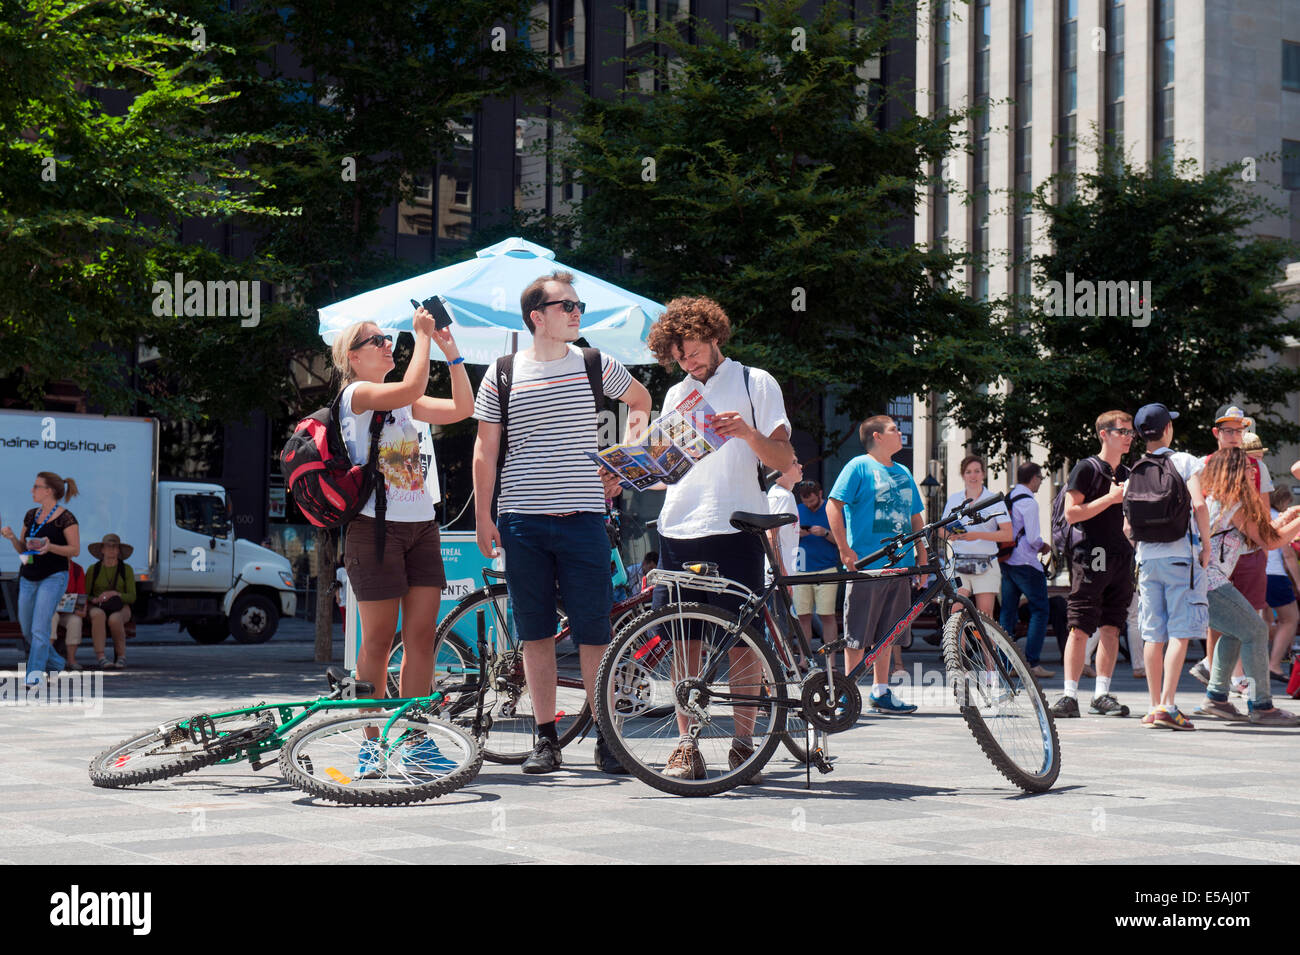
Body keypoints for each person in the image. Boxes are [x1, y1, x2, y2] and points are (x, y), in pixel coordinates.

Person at [472, 270, 652, 775]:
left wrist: (626, 461)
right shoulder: (502, 372)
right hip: (522, 521)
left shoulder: (596, 363)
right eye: (566, 306)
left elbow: (639, 401)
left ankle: (606, 738)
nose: (576, 313)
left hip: (585, 521)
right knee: (536, 634)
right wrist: (484, 515)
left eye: (578, 306)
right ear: (537, 316)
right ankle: (545, 737)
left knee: (595, 633)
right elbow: (485, 448)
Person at [640, 295, 794, 781]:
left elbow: (783, 459)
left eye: (692, 348)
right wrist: (636, 466)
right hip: (679, 524)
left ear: (712, 335)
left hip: (735, 524)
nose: (687, 359)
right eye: (679, 354)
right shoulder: (675, 395)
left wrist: (748, 434)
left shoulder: (755, 381)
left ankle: (744, 743)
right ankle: (687, 745)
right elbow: (669, 468)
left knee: (741, 642)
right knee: (683, 638)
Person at [333, 307, 474, 775]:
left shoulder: (399, 401)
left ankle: (414, 738)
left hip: (421, 527)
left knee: (421, 639)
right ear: (353, 358)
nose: (387, 345)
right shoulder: (358, 395)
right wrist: (422, 337)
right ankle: (371, 744)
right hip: (374, 530)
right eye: (376, 342)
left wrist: (452, 353)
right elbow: (413, 387)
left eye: (388, 340)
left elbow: (462, 410)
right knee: (376, 640)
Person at [1191, 448, 1300, 725]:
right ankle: (1262, 705)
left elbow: (1266, 533)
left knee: (1238, 631)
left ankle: (1216, 698)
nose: (1254, 472)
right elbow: (1271, 541)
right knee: (1255, 629)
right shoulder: (1233, 503)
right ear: (1235, 473)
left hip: (1203, 580)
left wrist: (1289, 517)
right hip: (1209, 580)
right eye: (1248, 468)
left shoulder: (1224, 500)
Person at [827, 414, 927, 715]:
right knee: (857, 632)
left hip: (900, 565)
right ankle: (847, 695)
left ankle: (881, 692)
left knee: (889, 632)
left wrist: (921, 553)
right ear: (877, 437)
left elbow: (915, 516)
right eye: (894, 429)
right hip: (867, 565)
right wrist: (844, 549)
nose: (900, 433)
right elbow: (834, 504)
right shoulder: (858, 466)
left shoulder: (904, 471)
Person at [1127, 404, 1210, 730]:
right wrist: (1206, 546)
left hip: (1147, 560)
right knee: (1179, 632)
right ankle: (1169, 705)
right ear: (1167, 430)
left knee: (1153, 634)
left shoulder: (1137, 468)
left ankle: (1152, 706)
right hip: (1180, 557)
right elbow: (1200, 504)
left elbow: (1127, 527)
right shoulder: (1185, 461)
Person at [1049, 411, 1135, 718]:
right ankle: (1069, 695)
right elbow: (1073, 513)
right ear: (1104, 434)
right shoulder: (1087, 468)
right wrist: (1110, 500)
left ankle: (1102, 694)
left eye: (1130, 432)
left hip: (1121, 556)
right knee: (1081, 623)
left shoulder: (1127, 471)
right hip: (1092, 552)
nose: (1128, 436)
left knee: (1112, 626)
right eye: (1122, 431)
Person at [1189, 406, 1272, 686]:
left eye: (1240, 430)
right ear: (1216, 432)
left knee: (1246, 617)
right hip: (1215, 557)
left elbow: (1263, 512)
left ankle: (1223, 685)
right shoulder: (1203, 465)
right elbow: (1199, 509)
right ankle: (1227, 681)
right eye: (1229, 430)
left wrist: (1265, 540)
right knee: (1228, 622)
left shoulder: (1255, 466)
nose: (1235, 436)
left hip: (1246, 551)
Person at [2, 472, 80, 684]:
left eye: (36, 487)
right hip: (28, 576)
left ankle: (33, 677)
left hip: (53, 577)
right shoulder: (30, 515)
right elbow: (23, 548)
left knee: (39, 628)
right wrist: (11, 538)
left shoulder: (66, 518)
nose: (32, 490)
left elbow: (75, 550)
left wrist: (51, 547)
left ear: (49, 491)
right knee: (28, 630)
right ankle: (55, 663)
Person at [939, 456, 1011, 620]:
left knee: (985, 616)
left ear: (983, 474)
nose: (973, 476)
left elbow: (1008, 533)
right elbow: (941, 531)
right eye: (968, 472)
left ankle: (986, 647)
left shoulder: (994, 499)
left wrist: (976, 535)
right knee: (956, 612)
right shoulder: (954, 499)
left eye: (977, 471)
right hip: (959, 562)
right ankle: (957, 646)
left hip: (986, 562)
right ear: (963, 475)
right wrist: (954, 535)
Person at [999, 462, 1054, 677]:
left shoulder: (1009, 498)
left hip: (1007, 559)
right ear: (1033, 478)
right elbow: (1033, 539)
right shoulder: (1029, 503)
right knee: (1040, 610)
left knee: (1007, 612)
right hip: (1027, 563)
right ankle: (1032, 662)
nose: (1040, 482)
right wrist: (1044, 546)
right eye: (1040, 478)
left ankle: (1005, 663)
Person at [792, 478, 841, 657]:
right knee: (802, 617)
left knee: (826, 615)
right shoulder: (798, 510)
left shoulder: (831, 509)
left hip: (826, 569)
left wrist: (825, 533)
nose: (809, 506)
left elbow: (843, 541)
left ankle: (831, 663)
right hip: (801, 569)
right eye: (806, 502)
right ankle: (805, 660)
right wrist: (798, 535)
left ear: (820, 494)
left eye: (812, 501)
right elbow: (787, 540)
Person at [1263, 486, 1300, 682]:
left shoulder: (1260, 513)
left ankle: (1245, 669)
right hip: (1275, 574)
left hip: (1257, 572)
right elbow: (1287, 555)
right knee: (1290, 619)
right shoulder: (1279, 517)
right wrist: (1299, 583)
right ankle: (1274, 665)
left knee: (1264, 621)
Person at [86, 534, 138, 670]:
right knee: (98, 615)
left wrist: (116, 594)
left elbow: (132, 596)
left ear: (119, 551)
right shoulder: (93, 569)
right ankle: (101, 657)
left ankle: (121, 656)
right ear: (102, 550)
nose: (112, 550)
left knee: (115, 619)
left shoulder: (126, 569)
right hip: (98, 606)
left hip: (120, 606)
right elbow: (85, 595)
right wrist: (95, 599)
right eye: (108, 547)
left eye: (115, 547)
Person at [766, 461, 802, 584]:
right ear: (780, 472)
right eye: (794, 463)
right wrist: (781, 575)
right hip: (776, 580)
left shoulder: (782, 494)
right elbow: (770, 536)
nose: (800, 466)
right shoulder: (783, 496)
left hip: (778, 578)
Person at [52, 560, 87, 671]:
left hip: (69, 611)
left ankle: (71, 660)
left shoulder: (77, 569)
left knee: (75, 621)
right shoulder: (47, 565)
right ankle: (46, 658)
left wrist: (81, 608)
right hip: (50, 609)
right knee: (51, 618)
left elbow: (81, 593)